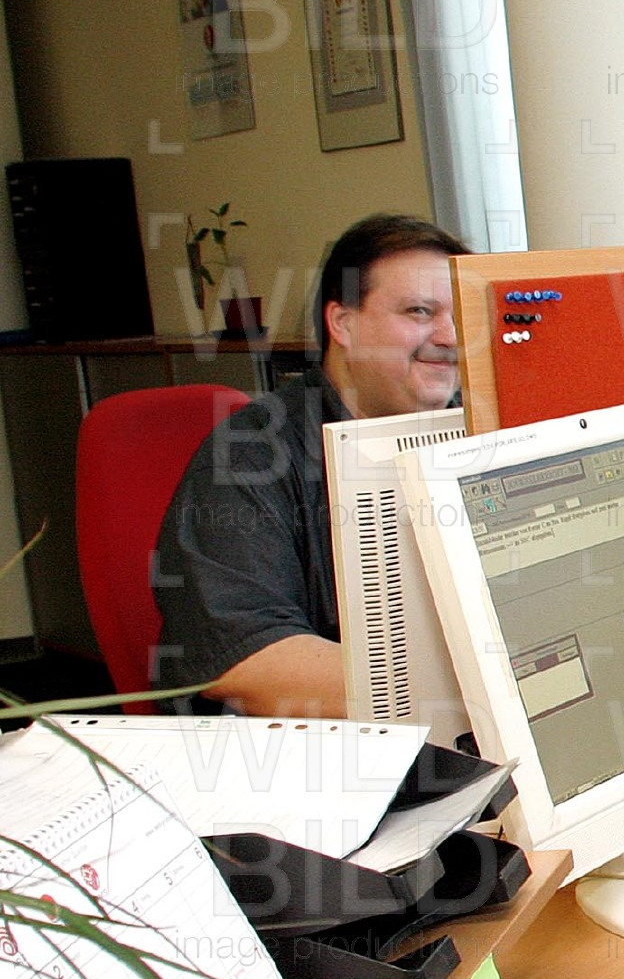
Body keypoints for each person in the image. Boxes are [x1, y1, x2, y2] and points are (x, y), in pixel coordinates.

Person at [152, 213, 468, 716]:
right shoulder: (249, 457)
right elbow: (251, 662)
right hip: (309, 747)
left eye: (461, 313)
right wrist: (473, 692)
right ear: (343, 323)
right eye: (419, 311)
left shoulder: (479, 433)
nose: (451, 336)